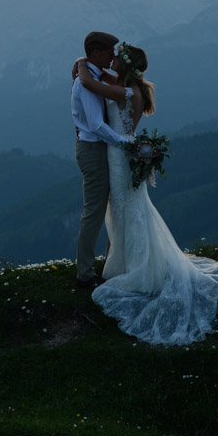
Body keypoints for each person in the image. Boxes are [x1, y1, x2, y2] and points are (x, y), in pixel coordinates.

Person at [73, 42, 218, 345]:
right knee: (126, 208)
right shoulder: (128, 87)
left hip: (119, 154)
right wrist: (90, 67)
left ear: (125, 64)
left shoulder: (125, 91)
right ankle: (124, 262)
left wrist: (82, 62)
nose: (112, 60)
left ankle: (137, 268)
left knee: (127, 208)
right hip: (120, 154)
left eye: (117, 57)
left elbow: (90, 83)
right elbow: (102, 79)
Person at [71, 31, 129, 287]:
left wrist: (81, 63)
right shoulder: (85, 82)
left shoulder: (94, 76)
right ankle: (84, 273)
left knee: (108, 208)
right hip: (93, 150)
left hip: (101, 148)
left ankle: (108, 264)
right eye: (109, 52)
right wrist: (125, 143)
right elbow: (95, 124)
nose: (113, 56)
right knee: (94, 211)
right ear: (95, 53)